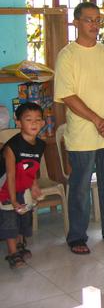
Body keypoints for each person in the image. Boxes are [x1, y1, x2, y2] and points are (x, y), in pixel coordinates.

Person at [55, 1, 104, 255]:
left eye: (98, 20)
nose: (94, 25)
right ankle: (77, 236)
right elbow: (68, 96)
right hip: (82, 134)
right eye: (89, 20)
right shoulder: (67, 55)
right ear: (76, 22)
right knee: (80, 186)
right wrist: (98, 120)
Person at [0, 102, 45, 268]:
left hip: (23, 185)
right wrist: (12, 200)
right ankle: (13, 254)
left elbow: (32, 167)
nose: (33, 123)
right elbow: (10, 175)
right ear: (18, 123)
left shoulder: (41, 145)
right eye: (28, 119)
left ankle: (20, 245)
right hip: (5, 188)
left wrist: (34, 185)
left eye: (37, 120)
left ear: (43, 123)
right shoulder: (12, 146)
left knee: (23, 215)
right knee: (9, 219)